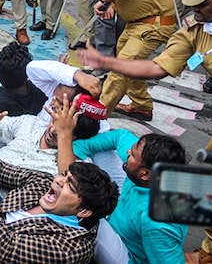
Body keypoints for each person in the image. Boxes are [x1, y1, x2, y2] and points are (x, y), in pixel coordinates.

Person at [77, 0, 212, 264]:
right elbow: (156, 67)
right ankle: (180, 221)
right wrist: (109, 63)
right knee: (207, 161)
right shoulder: (196, 29)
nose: (194, 11)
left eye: (202, 5)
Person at [52, 99, 188, 264]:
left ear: (145, 174)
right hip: (117, 219)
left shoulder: (159, 222)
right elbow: (120, 136)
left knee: (82, 206)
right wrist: (76, 150)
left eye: (132, 155)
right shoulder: (145, 168)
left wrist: (65, 139)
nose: (128, 151)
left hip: (127, 256)